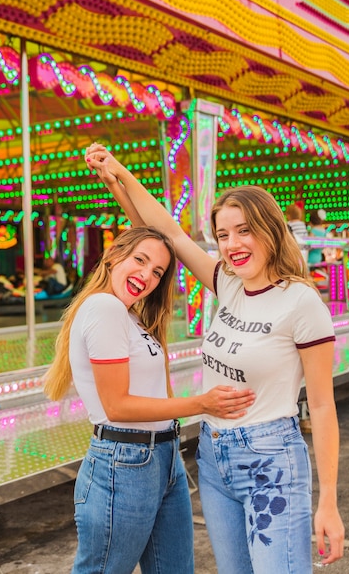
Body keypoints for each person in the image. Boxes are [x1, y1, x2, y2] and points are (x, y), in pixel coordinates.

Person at [85, 143, 345, 573]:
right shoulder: (229, 284)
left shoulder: (302, 303)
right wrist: (119, 176)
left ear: (271, 230)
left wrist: (329, 502)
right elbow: (170, 234)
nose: (232, 244)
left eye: (244, 230)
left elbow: (321, 404)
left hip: (271, 460)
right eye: (223, 235)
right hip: (213, 456)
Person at [44, 226, 256, 574]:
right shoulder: (104, 308)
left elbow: (158, 235)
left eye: (157, 271)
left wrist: (121, 184)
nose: (146, 275)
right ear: (113, 256)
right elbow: (118, 406)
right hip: (124, 463)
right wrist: (202, 404)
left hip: (163, 458)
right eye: (139, 260)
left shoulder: (131, 316)